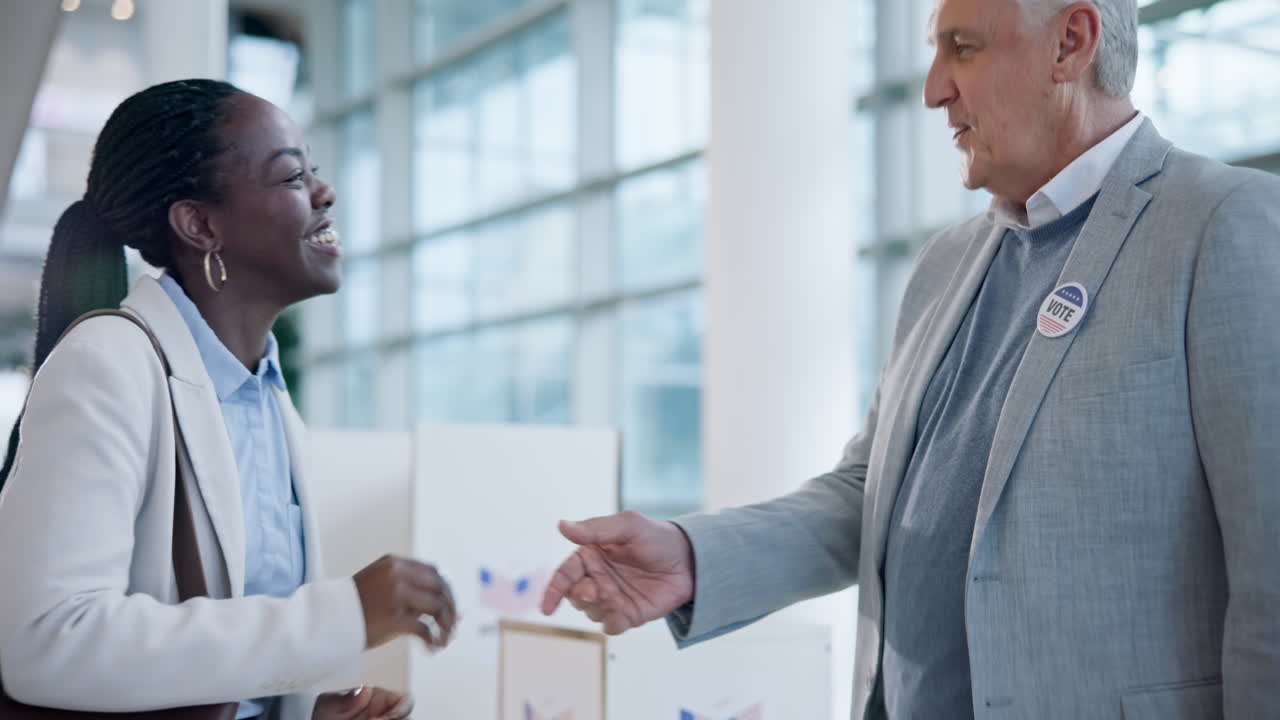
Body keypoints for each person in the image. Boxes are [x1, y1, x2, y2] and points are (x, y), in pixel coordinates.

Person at [540, 0, 1280, 718]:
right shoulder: (944, 265)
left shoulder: (1223, 227)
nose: (933, 90)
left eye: (963, 48)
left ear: (1071, 43)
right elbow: (869, 496)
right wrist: (691, 556)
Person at [0, 80, 456, 720]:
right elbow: (49, 642)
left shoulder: (264, 394)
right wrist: (344, 614)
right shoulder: (108, 364)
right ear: (200, 224)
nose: (324, 193)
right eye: (293, 176)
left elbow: (220, 647)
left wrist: (290, 710)